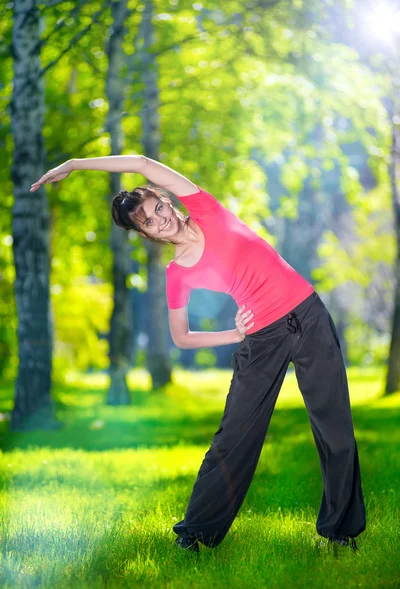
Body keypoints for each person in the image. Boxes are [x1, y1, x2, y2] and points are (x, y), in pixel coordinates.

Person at [31, 154, 366, 554]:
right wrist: (233, 333)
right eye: (149, 221)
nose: (160, 219)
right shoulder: (178, 273)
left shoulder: (205, 209)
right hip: (260, 340)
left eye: (158, 208)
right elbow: (182, 337)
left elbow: (140, 162)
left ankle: (340, 531)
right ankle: (196, 533)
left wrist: (76, 164)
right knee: (234, 437)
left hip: (308, 314)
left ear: (166, 199)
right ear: (146, 233)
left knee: (336, 430)